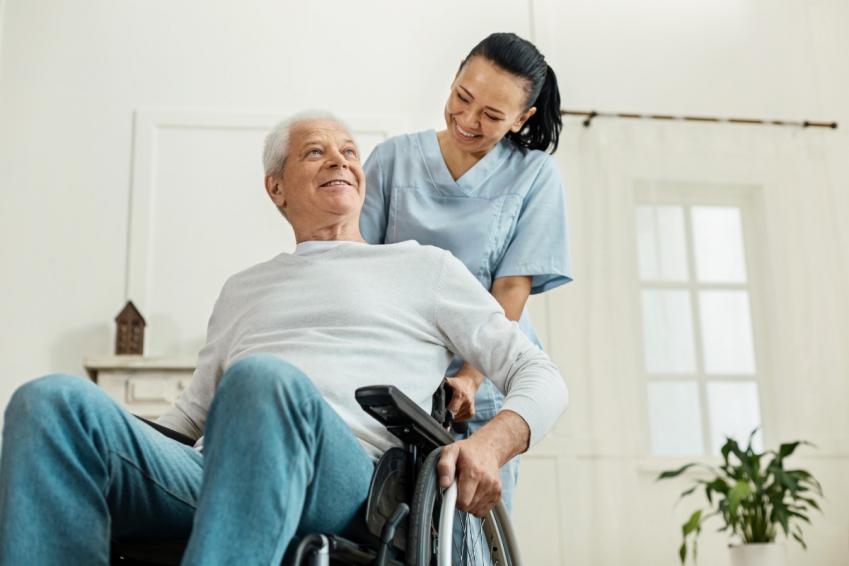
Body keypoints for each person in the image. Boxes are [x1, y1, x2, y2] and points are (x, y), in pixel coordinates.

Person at [0, 114, 568, 565]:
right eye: (315, 151)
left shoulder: (424, 268)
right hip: (217, 469)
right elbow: (191, 414)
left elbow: (540, 374)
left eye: (349, 152)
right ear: (276, 187)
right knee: (49, 403)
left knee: (261, 381)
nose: (340, 160)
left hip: (350, 480)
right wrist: (113, 442)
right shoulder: (242, 289)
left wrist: (490, 445)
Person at [360, 32, 572, 511]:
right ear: (456, 76)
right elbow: (358, 266)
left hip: (484, 378)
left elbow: (512, 287)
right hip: (397, 378)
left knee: (470, 530)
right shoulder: (392, 161)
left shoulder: (535, 175)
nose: (468, 120)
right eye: (462, 97)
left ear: (522, 118)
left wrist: (472, 379)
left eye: (492, 116)